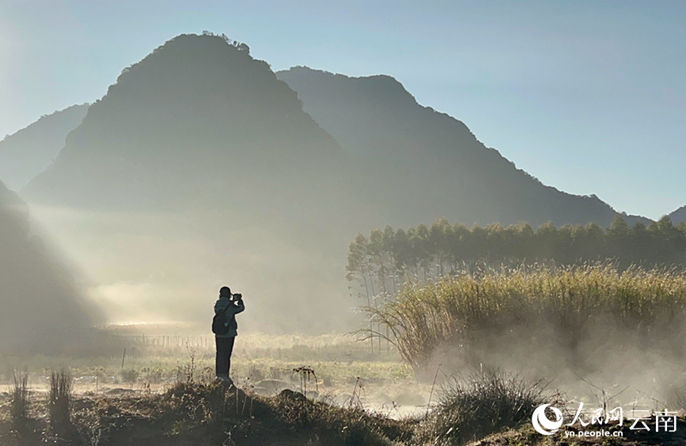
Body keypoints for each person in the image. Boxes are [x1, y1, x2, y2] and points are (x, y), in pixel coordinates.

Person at [213, 286, 245, 384]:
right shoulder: (230, 305)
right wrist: (239, 300)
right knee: (226, 355)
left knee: (219, 354)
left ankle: (218, 374)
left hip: (218, 333)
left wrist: (231, 301)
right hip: (229, 333)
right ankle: (225, 376)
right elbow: (241, 308)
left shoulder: (217, 304)